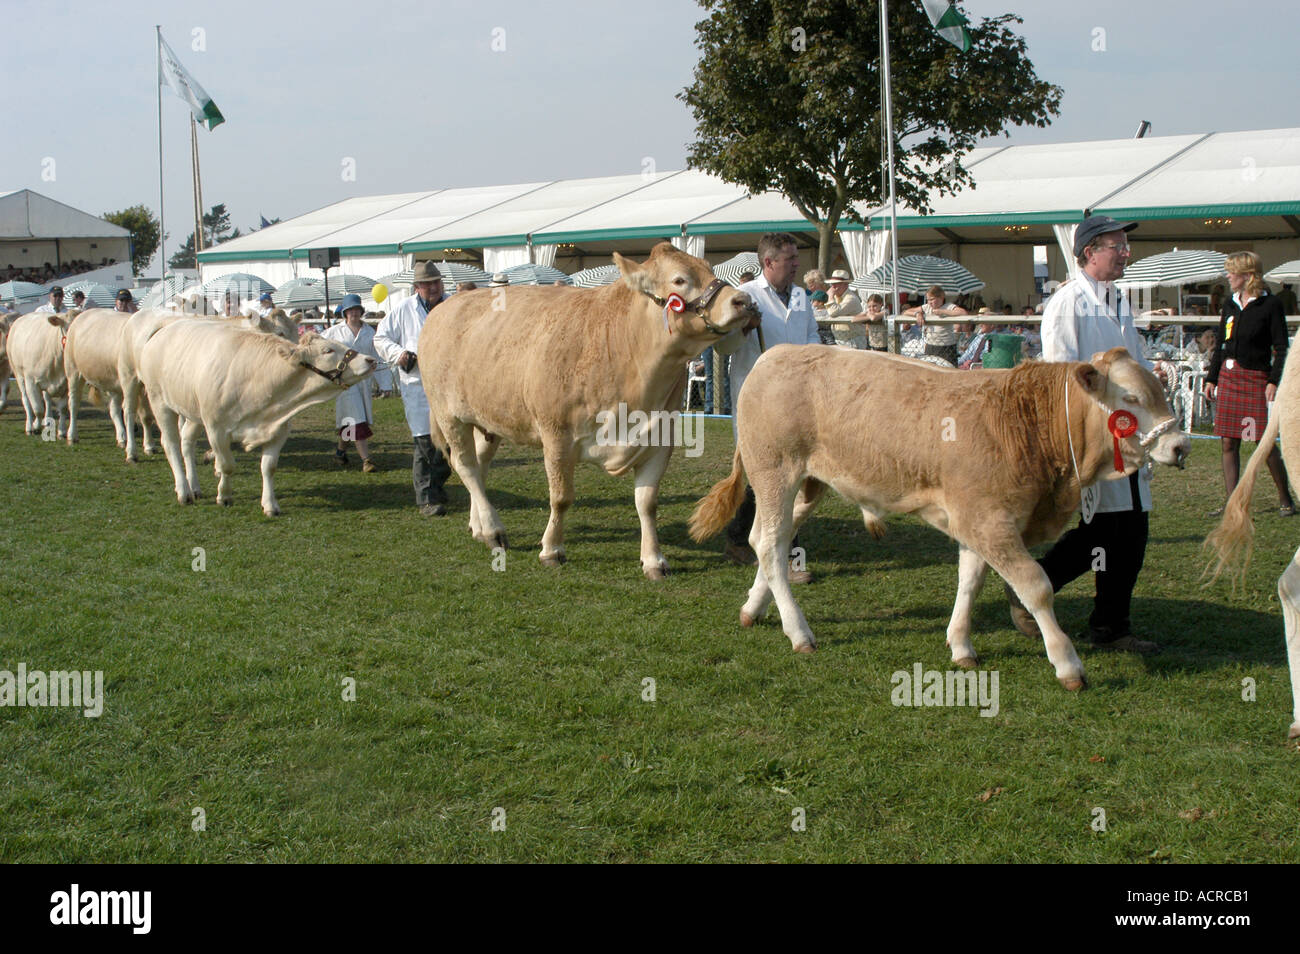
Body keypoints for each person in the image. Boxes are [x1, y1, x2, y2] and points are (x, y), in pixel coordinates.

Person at [1008, 214, 1159, 654]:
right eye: (1117, 246)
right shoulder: (1067, 303)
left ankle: (1111, 625)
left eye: (1124, 246)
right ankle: (1035, 586)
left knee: (1131, 529)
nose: (1126, 253)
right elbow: (1062, 378)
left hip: (1128, 433)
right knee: (1103, 530)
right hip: (1094, 437)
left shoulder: (1119, 300)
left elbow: (1134, 363)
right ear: (1090, 252)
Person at [714, 232, 820, 581]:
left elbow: (812, 339)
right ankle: (791, 558)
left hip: (798, 400)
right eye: (790, 259)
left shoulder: (803, 297)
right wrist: (744, 329)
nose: (796, 265)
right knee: (774, 478)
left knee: (790, 475)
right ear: (768, 263)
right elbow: (723, 350)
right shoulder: (745, 298)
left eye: (796, 258)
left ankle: (738, 539)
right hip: (756, 400)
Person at [1203, 251, 1295, 517]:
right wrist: (1211, 377)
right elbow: (1221, 343)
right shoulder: (1229, 304)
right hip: (1229, 379)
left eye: (1231, 271)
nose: (1227, 276)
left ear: (1247, 275)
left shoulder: (1271, 304)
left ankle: (1285, 498)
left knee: (1262, 442)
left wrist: (1273, 381)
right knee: (1228, 442)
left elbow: (1280, 347)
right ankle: (1232, 503)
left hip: (1256, 379)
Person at [374, 261, 452, 516]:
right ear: (417, 287)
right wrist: (400, 354)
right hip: (417, 383)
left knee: (450, 442)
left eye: (436, 282)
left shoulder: (453, 305)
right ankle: (426, 499)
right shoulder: (403, 310)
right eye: (427, 284)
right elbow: (380, 337)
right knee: (425, 442)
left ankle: (437, 486)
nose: (433, 288)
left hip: (450, 384)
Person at [322, 293, 381, 473]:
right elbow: (319, 347)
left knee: (350, 420)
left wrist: (384, 384)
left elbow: (376, 357)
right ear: (345, 313)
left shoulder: (369, 332)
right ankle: (366, 460)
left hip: (363, 382)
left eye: (357, 310)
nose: (354, 313)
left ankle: (341, 452)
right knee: (357, 420)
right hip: (345, 382)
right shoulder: (334, 332)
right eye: (350, 310)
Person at [902, 285, 967, 365]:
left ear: (941, 297)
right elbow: (906, 312)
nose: (930, 302)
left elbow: (963, 312)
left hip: (946, 346)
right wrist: (917, 314)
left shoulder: (948, 306)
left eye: (932, 299)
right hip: (930, 345)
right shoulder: (927, 307)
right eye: (928, 300)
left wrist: (943, 312)